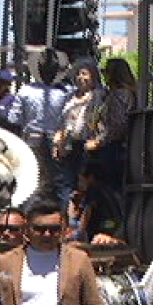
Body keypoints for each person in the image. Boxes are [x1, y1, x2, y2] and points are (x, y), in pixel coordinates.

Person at [8, 48, 70, 194]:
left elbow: (14, 119)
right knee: (58, 182)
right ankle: (62, 213)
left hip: (31, 140)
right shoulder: (65, 93)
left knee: (30, 180)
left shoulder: (25, 91)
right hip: (56, 141)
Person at [53, 58, 105, 206]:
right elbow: (61, 120)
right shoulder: (69, 97)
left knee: (84, 186)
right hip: (68, 145)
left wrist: (97, 139)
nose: (80, 78)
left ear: (93, 76)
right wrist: (58, 140)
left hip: (87, 146)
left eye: (85, 74)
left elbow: (102, 122)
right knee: (66, 185)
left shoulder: (99, 96)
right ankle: (66, 220)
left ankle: (82, 221)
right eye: (78, 74)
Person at [85, 57, 137, 204]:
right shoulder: (125, 93)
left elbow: (118, 126)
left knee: (110, 188)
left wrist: (99, 141)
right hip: (121, 146)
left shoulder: (119, 95)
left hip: (114, 148)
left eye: (106, 72)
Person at [66, 159, 123, 244]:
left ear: (90, 177)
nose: (79, 183)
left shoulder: (93, 190)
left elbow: (88, 212)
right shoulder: (109, 189)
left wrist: (79, 233)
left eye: (81, 179)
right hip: (113, 225)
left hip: (102, 228)